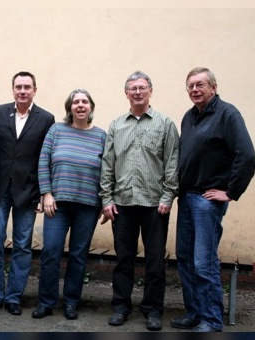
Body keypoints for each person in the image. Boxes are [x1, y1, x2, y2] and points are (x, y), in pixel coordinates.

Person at [171, 67, 255, 332]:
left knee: (203, 262)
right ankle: (194, 312)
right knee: (184, 258)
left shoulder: (227, 114)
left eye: (200, 85)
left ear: (214, 87)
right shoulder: (189, 116)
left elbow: (247, 155)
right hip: (186, 197)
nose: (195, 90)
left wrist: (231, 192)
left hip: (207, 201)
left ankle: (211, 320)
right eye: (190, 86)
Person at [99, 71, 179, 330]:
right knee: (124, 260)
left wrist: (168, 196)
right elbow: (107, 164)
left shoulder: (165, 124)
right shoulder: (116, 125)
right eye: (132, 88)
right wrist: (107, 199)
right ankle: (121, 306)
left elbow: (172, 163)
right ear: (126, 93)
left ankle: (153, 310)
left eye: (142, 87)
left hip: (155, 205)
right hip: (122, 204)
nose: (137, 92)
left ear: (150, 91)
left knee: (155, 262)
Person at [0, 71, 55, 315]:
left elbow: (46, 157)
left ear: (35, 89)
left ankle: (13, 296)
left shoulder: (46, 118)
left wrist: (43, 192)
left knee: (23, 245)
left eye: (27, 87)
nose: (22, 91)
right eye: (18, 86)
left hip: (28, 190)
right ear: (12, 89)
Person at [32, 89, 107, 320]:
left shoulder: (101, 135)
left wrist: (105, 201)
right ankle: (46, 302)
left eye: (85, 101)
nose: (81, 105)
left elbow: (107, 171)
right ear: (70, 107)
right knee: (51, 252)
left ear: (91, 107)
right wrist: (46, 193)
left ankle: (72, 302)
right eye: (76, 102)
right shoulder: (57, 130)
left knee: (78, 255)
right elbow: (43, 162)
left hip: (88, 205)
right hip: (58, 204)